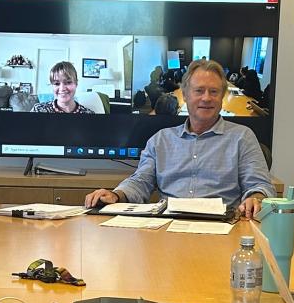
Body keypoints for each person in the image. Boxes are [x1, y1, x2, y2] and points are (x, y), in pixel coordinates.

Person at [83, 59, 273, 218]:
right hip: (168, 226)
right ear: (185, 95)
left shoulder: (242, 137)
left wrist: (256, 197)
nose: (206, 98)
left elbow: (260, 185)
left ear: (222, 97)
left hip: (221, 226)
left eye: (213, 92)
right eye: (199, 91)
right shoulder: (160, 140)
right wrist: (117, 194)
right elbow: (140, 181)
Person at [31, 62, 95, 114]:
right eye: (56, 83)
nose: (62, 88)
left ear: (76, 83)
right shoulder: (38, 110)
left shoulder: (89, 114)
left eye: (68, 82)